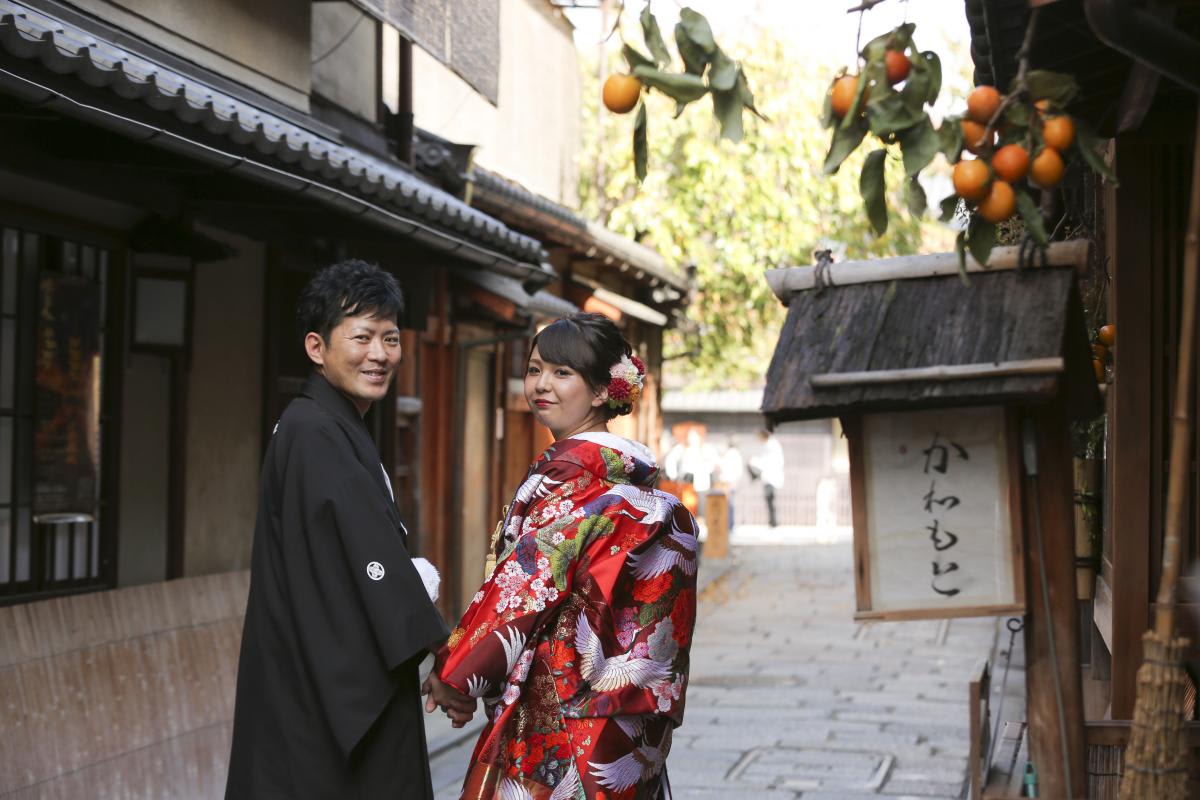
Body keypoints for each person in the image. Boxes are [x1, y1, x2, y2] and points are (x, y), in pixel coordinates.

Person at [428, 313, 699, 799]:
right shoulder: (629, 479)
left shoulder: (574, 477)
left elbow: (528, 585)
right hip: (625, 707)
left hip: (562, 701)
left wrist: (457, 672)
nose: (541, 384)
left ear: (602, 390)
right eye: (534, 369)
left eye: (562, 372)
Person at [226, 260, 468, 798]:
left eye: (390, 338)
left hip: (311, 676)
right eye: (362, 337)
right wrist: (444, 650)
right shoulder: (315, 430)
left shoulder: (325, 423)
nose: (379, 354)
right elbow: (370, 559)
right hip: (324, 694)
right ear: (317, 347)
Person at [750, 430, 785, 528]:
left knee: (770, 499)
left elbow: (767, 462)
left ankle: (773, 522)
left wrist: (755, 462)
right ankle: (772, 521)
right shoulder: (769, 445)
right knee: (769, 500)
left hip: (771, 478)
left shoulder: (771, 446)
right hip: (768, 477)